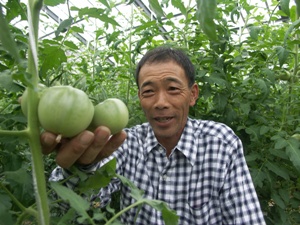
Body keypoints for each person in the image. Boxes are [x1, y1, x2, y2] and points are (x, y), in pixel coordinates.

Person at [42, 46, 266, 224]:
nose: (160, 103)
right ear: (140, 98)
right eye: (149, 92)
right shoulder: (126, 144)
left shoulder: (220, 144)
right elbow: (70, 207)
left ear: (192, 94)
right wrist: (81, 169)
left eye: (172, 89)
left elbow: (246, 218)